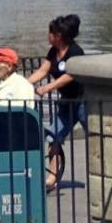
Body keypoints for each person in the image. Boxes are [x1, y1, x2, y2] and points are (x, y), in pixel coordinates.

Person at [29, 13, 85, 193]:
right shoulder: (53, 52)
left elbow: (71, 75)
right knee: (53, 136)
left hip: (83, 101)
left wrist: (48, 88)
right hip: (66, 103)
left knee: (95, 137)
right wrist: (23, 84)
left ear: (59, 35)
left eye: (50, 32)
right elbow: (43, 71)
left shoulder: (76, 52)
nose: (48, 35)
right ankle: (52, 177)